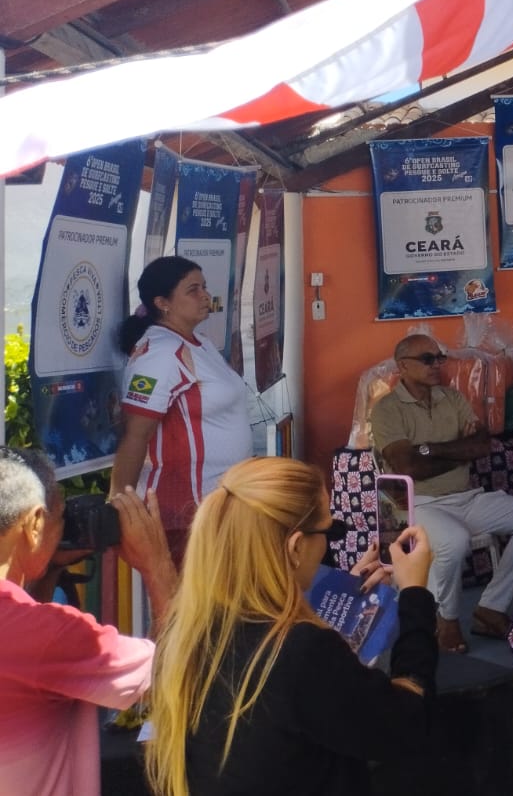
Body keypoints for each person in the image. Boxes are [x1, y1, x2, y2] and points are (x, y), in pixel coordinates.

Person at [143, 457, 437, 796]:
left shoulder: (182, 635)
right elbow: (406, 726)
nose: (329, 542)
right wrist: (415, 594)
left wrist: (342, 593)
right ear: (296, 546)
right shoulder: (302, 652)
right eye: (330, 531)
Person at [0, 446, 177, 796]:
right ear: (35, 524)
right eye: (62, 517)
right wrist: (156, 563)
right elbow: (178, 668)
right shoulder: (49, 635)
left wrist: (47, 567)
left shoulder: (29, 629)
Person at [370, 333, 513, 654]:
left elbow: (482, 446)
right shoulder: (387, 409)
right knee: (454, 540)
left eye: (439, 357)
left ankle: (491, 607)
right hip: (417, 504)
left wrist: (429, 450)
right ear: (403, 366)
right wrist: (459, 452)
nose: (437, 365)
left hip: (465, 497)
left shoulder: (452, 398)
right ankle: (447, 618)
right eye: (427, 359)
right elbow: (407, 468)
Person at [110, 257, 255, 560]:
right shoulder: (161, 354)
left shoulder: (197, 342)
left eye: (204, 287)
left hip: (218, 508)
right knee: (188, 605)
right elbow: (135, 436)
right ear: (162, 302)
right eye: (192, 290)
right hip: (184, 517)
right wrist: (121, 508)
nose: (205, 295)